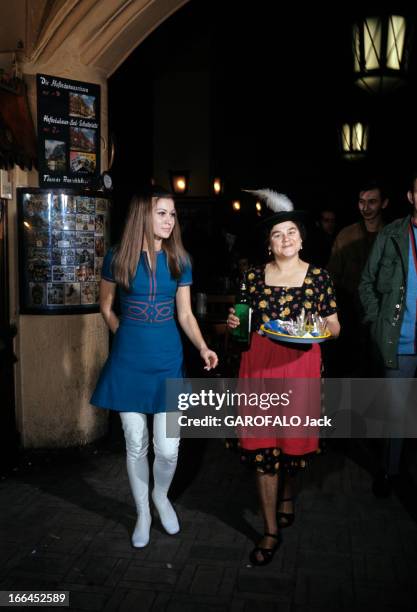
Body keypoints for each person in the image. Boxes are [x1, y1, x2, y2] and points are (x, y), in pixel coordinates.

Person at [91, 186, 218, 547]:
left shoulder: (180, 259)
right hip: (128, 363)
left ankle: (160, 497)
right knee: (135, 443)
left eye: (172, 214)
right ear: (143, 215)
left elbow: (185, 314)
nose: (168, 220)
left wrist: (204, 347)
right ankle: (143, 512)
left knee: (168, 449)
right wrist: (124, 334)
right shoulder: (117, 257)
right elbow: (105, 307)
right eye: (161, 212)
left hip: (168, 363)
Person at [227, 188, 340, 566]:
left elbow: (335, 327)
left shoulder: (320, 278)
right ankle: (270, 530)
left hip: (300, 370)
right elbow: (241, 328)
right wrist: (234, 323)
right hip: (258, 368)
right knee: (263, 451)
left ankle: (287, 493)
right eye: (277, 234)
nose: (286, 238)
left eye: (291, 231)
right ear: (268, 243)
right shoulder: (253, 278)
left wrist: (322, 327)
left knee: (292, 448)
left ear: (302, 238)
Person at [359, 172, 417, 497]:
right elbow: (366, 282)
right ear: (411, 196)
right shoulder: (393, 234)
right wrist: (376, 320)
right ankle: (390, 471)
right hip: (401, 340)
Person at [327, 179, 388, 375]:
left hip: (382, 314)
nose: (366, 207)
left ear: (384, 203)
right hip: (350, 314)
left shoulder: (393, 235)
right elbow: (332, 276)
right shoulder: (346, 235)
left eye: (372, 201)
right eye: (362, 201)